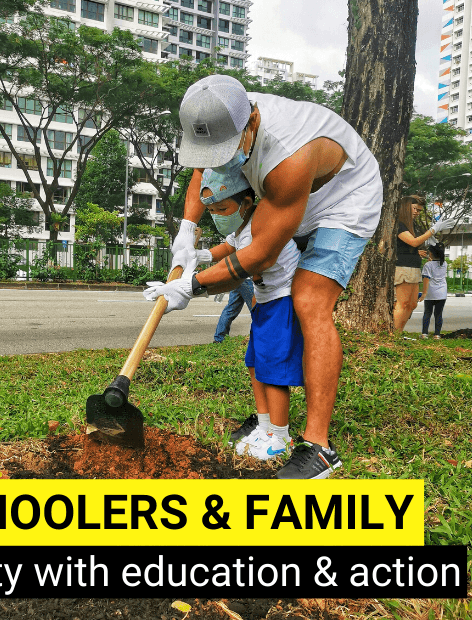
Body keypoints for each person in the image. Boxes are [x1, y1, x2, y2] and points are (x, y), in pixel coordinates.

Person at [149, 74, 384, 479]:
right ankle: (270, 422)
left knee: (309, 299)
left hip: (343, 200)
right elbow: (201, 172)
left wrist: (192, 285)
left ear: (252, 122)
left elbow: (259, 255)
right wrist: (187, 232)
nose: (217, 159)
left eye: (226, 149)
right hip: (284, 200)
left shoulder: (288, 156)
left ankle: (319, 446)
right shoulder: (220, 112)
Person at [169, 168, 304, 460]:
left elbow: (236, 272)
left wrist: (190, 286)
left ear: (245, 202)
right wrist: (202, 255)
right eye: (212, 210)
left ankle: (280, 437)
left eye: (222, 208)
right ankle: (265, 427)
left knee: (273, 370)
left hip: (283, 300)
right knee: (255, 363)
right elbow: (229, 246)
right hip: (265, 300)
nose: (217, 215)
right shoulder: (241, 225)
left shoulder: (261, 224)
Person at [393, 196, 452, 332]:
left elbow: (411, 245)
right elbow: (413, 241)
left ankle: (399, 333)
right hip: (403, 267)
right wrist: (433, 230)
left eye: (419, 211)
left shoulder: (411, 225)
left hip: (414, 267)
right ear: (405, 207)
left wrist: (417, 251)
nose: (417, 212)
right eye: (415, 209)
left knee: (412, 304)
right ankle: (394, 336)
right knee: (403, 303)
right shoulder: (399, 224)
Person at [213, 279, 254, 343]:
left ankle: (219, 338)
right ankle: (262, 337)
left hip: (236, 280)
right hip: (247, 280)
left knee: (230, 310)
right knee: (257, 311)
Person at [421, 243, 448, 339]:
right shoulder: (444, 263)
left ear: (431, 253)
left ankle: (424, 334)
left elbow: (426, 279)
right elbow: (435, 266)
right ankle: (437, 334)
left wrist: (424, 293)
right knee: (439, 314)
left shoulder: (428, 265)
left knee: (427, 313)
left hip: (430, 292)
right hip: (442, 293)